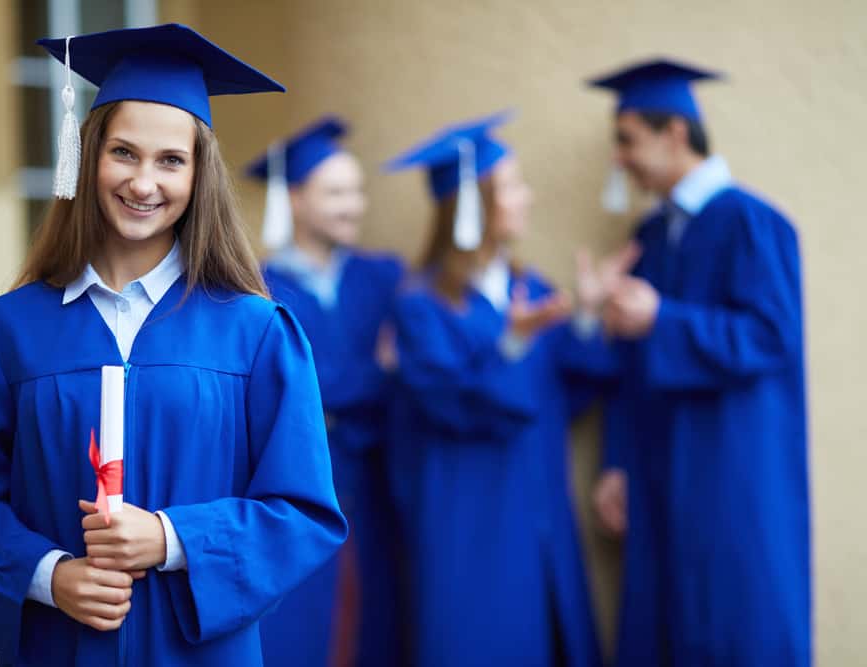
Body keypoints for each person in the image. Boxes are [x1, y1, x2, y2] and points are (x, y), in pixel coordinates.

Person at [0, 23, 346, 667]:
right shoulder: (0, 333)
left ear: (200, 174)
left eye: (171, 160)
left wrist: (172, 539)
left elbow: (303, 512)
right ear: (88, 156)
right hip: (59, 648)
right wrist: (48, 575)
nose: (144, 182)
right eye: (124, 152)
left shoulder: (257, 333)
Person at [570, 58, 810, 666]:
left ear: (674, 133)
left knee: (738, 623)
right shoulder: (652, 236)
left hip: (734, 469)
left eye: (626, 140)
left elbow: (770, 336)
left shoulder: (753, 222)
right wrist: (617, 462)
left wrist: (663, 320)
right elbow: (629, 365)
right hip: (657, 469)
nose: (618, 158)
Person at [385, 112, 602, 667]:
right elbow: (454, 404)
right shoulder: (420, 305)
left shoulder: (531, 288)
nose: (527, 198)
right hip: (469, 515)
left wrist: (590, 317)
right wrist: (509, 344)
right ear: (475, 203)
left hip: (537, 505)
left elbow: (569, 390)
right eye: (512, 187)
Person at [245, 116, 407, 667]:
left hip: (379, 478)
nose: (354, 205)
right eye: (336, 192)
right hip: (305, 478)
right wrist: (376, 374)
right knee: (310, 626)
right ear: (294, 198)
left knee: (378, 622)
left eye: (357, 191)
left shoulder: (382, 275)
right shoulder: (260, 290)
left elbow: (394, 371)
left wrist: (352, 387)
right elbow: (309, 388)